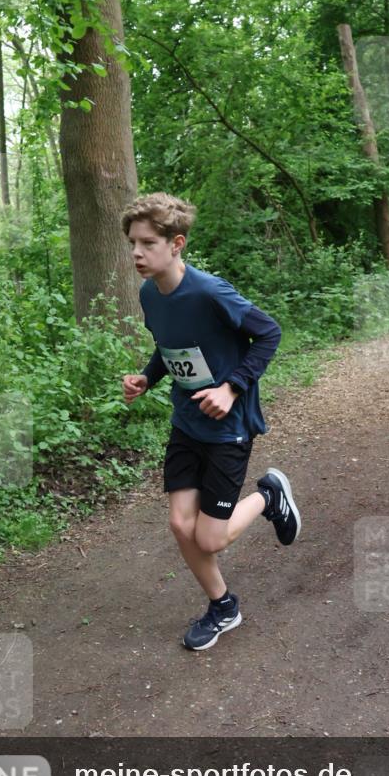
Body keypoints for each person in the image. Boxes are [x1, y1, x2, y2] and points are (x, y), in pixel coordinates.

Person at [121, 192, 300, 651]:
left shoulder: (209, 292)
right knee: (182, 526)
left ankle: (269, 496)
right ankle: (223, 607)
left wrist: (231, 387)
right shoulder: (149, 294)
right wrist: (147, 377)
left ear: (176, 243)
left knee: (211, 538)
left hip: (227, 427)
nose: (137, 253)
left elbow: (269, 332)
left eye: (148, 243)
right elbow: (169, 348)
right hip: (186, 422)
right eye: (133, 244)